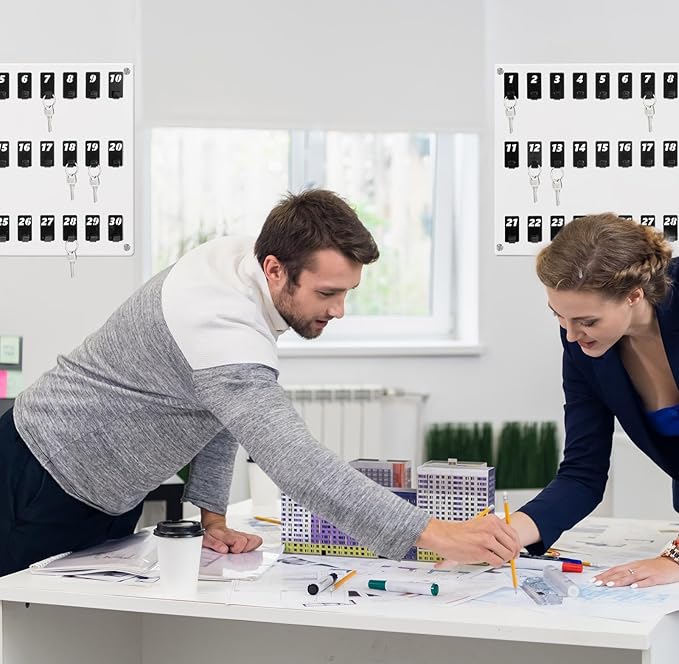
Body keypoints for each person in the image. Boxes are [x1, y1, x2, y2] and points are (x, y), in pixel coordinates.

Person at [1, 189, 520, 576]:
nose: (339, 310)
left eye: (347, 293)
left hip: (105, 490)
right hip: (42, 471)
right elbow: (295, 463)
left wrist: (212, 517)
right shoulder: (220, 318)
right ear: (275, 269)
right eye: (328, 293)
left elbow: (214, 407)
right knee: (22, 634)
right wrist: (434, 534)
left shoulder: (239, 269)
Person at [511, 212, 679, 588]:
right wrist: (509, 532)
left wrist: (676, 557)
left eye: (587, 321)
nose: (572, 335)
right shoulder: (584, 345)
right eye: (558, 316)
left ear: (634, 295)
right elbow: (582, 473)